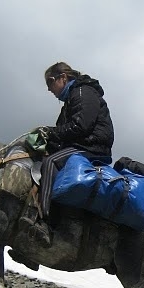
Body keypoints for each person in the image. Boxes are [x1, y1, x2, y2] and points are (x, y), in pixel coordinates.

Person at [33, 61, 114, 218]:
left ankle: (44, 219)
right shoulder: (70, 100)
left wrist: (49, 132)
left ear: (63, 77)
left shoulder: (84, 92)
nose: (49, 89)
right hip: (81, 145)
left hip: (93, 147)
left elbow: (80, 126)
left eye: (50, 81)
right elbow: (63, 133)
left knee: (52, 162)